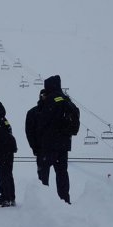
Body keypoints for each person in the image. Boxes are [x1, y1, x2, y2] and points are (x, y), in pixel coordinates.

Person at [36, 75, 73, 203]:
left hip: (50, 144)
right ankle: (65, 200)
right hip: (64, 144)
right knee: (62, 173)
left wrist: (41, 104)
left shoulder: (50, 100)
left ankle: (44, 201)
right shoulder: (66, 99)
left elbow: (42, 121)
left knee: (44, 173)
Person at [0, 101, 16, 208]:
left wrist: (1, 152)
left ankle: (5, 198)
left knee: (4, 176)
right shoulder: (4, 121)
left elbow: (1, 138)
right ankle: (10, 197)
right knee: (8, 175)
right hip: (7, 152)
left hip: (3, 153)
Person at [25, 89, 45, 183]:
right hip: (45, 148)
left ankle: (42, 191)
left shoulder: (33, 112)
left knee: (43, 174)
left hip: (41, 149)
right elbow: (29, 132)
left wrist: (35, 147)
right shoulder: (34, 113)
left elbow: (29, 132)